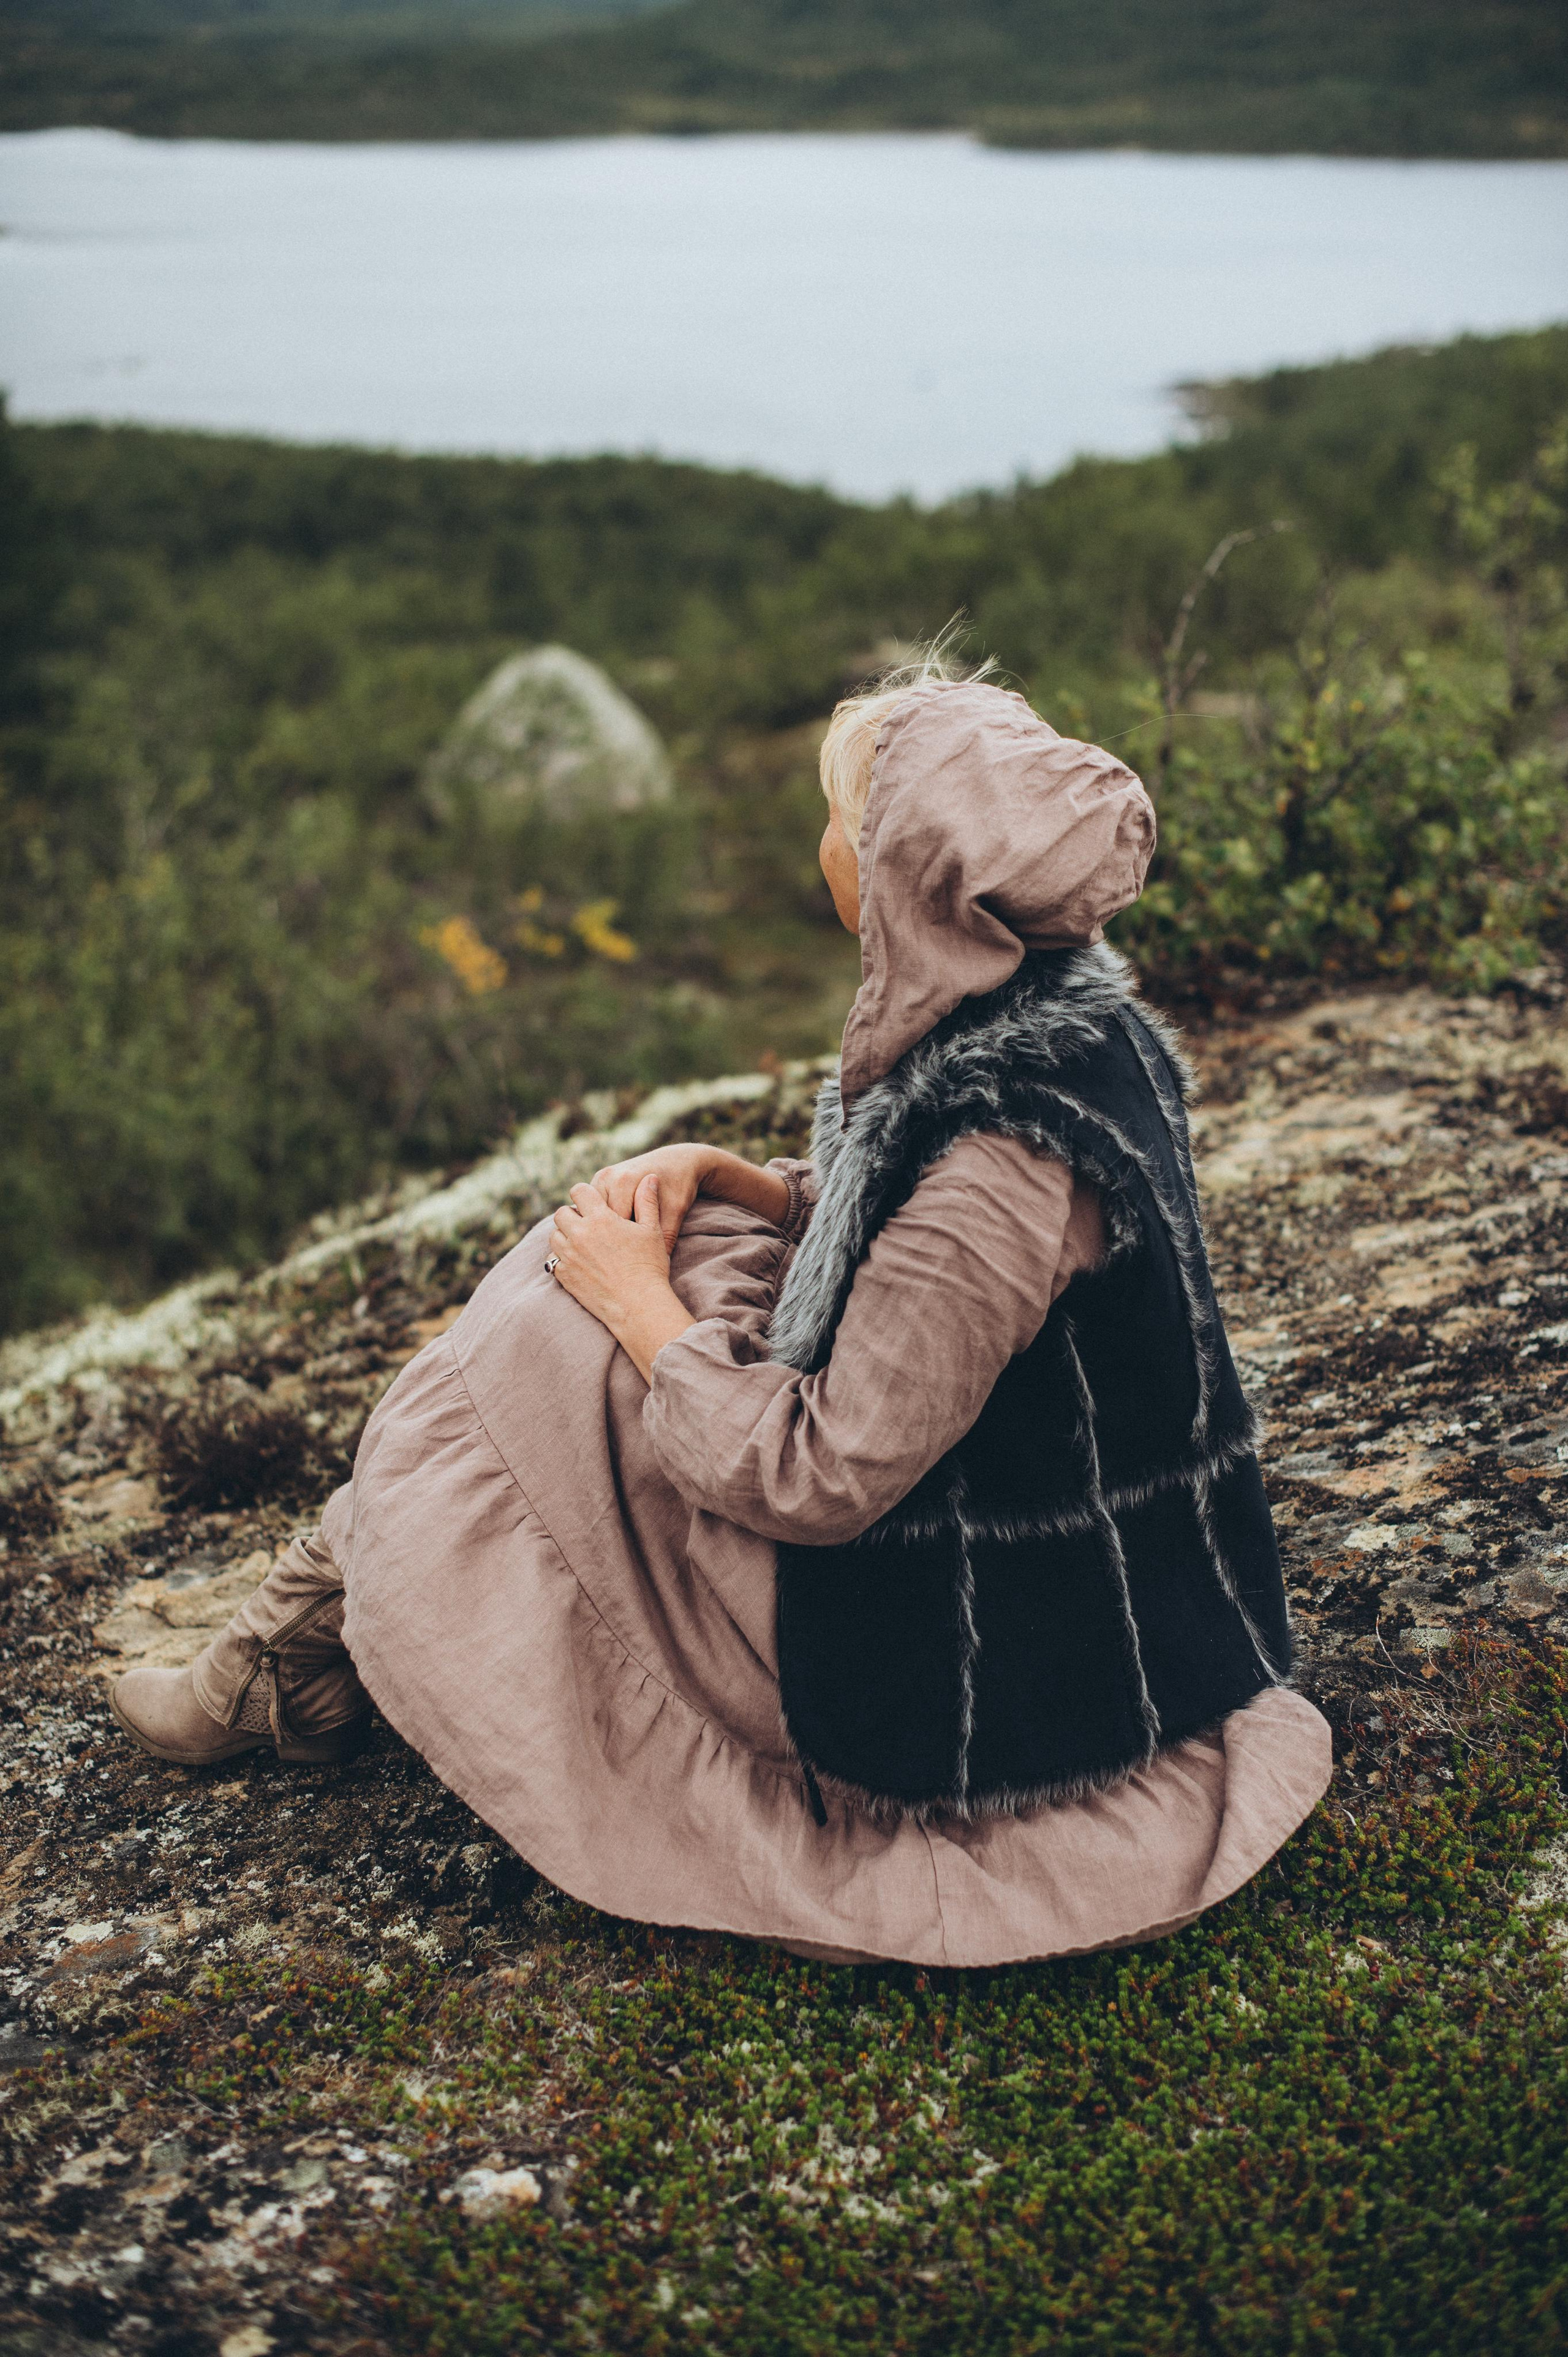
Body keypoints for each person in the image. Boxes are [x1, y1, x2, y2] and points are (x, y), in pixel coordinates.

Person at [111, 654, 1330, 1967]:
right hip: (1060, 1559)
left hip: (974, 1638)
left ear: (904, 866)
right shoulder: (1069, 1034)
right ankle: (299, 1642)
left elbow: (821, 1473)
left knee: (553, 1335)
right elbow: (931, 1285)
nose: (817, 845)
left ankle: (289, 1653)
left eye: (835, 820)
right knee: (651, 1252)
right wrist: (747, 1187)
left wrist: (644, 1316)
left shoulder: (1000, 1159)